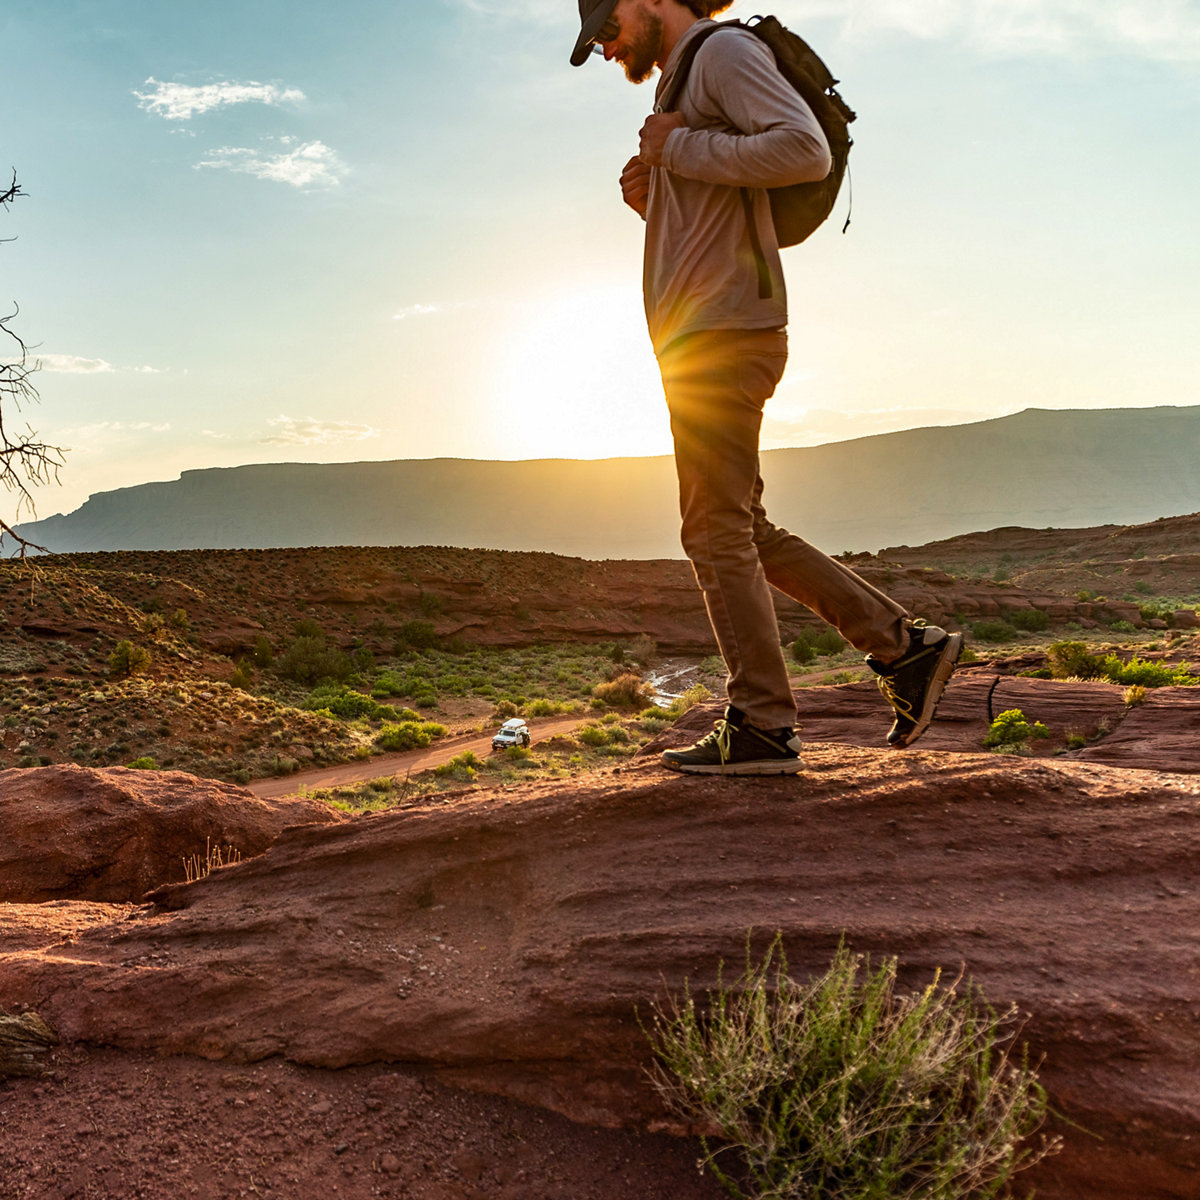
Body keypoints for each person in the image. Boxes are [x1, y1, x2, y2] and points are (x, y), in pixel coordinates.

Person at [570, 0, 962, 775]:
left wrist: (678, 148)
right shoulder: (680, 79)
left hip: (723, 333)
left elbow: (803, 151)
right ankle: (905, 648)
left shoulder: (720, 54)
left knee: (713, 532)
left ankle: (761, 726)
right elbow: (725, 188)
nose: (609, 47)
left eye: (607, 27)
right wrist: (658, 193)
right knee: (742, 526)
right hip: (704, 332)